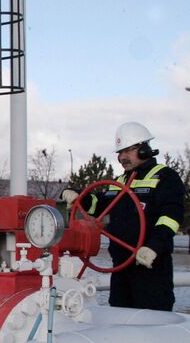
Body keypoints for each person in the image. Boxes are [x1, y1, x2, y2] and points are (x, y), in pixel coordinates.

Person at [62, 122, 185, 311]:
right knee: (119, 324)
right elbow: (100, 204)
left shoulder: (164, 178)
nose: (122, 157)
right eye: (120, 152)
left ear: (144, 149)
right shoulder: (119, 182)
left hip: (151, 270)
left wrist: (154, 247)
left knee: (151, 327)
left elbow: (171, 216)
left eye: (128, 150)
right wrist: (80, 195)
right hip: (120, 270)